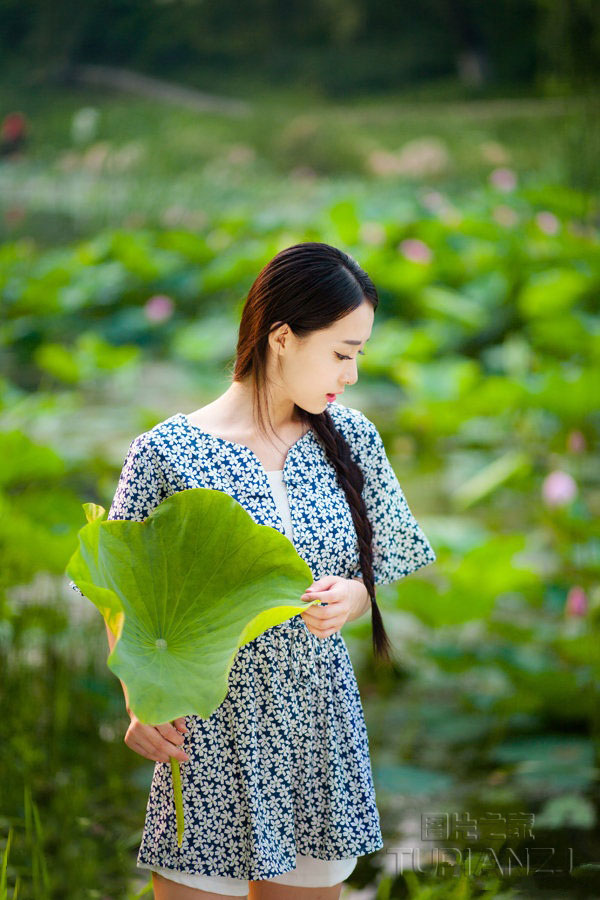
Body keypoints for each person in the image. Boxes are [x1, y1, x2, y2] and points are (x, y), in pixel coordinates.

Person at [70, 241, 436, 899]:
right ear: (283, 338)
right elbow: (114, 582)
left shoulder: (354, 438)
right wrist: (139, 696)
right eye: (342, 353)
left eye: (359, 356)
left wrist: (356, 594)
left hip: (315, 728)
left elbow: (388, 553)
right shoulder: (166, 451)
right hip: (207, 731)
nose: (350, 375)